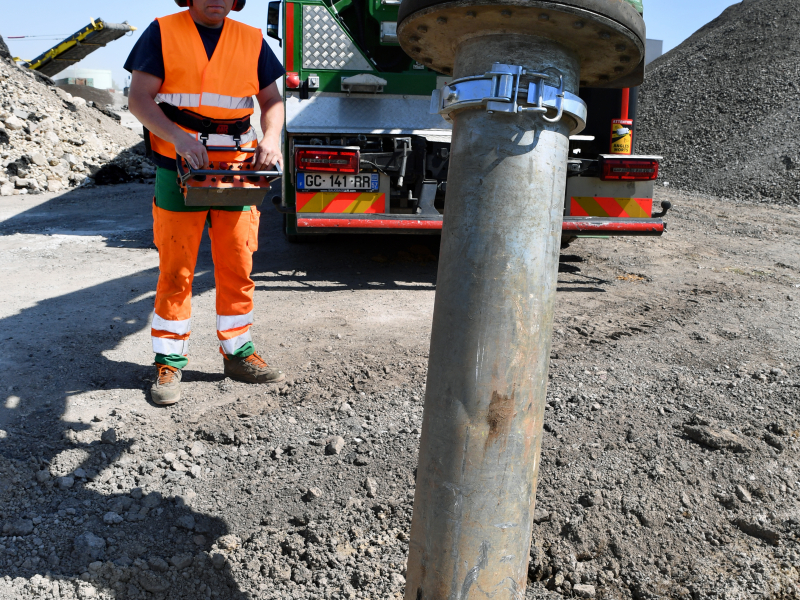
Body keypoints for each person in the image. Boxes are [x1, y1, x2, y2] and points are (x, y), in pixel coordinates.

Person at [125, 0, 286, 405]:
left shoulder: (251, 40)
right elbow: (139, 98)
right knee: (177, 267)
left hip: (236, 168)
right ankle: (169, 360)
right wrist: (178, 137)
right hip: (177, 167)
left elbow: (272, 101)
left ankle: (238, 353)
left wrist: (270, 138)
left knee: (237, 262)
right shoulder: (162, 31)